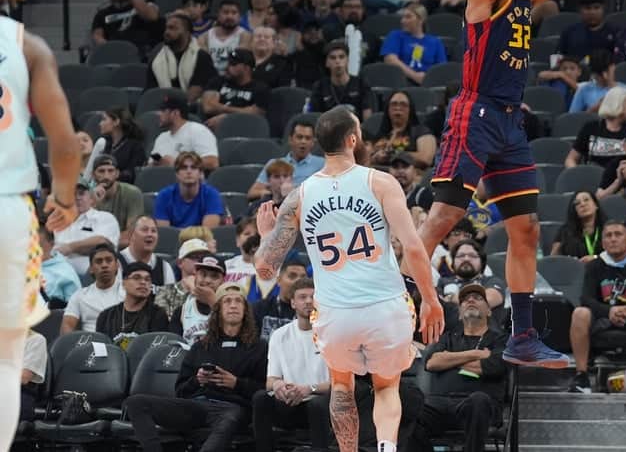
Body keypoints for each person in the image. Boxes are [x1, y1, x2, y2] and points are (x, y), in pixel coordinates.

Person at [415, 0, 595, 369]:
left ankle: (522, 336)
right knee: (445, 217)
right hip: (475, 112)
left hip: (510, 122)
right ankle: (398, 296)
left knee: (528, 230)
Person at [254, 106, 444, 452]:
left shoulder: (299, 196)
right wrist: (431, 300)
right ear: (353, 139)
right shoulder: (380, 181)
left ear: (319, 144)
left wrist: (267, 235)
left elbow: (265, 270)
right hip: (385, 305)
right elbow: (414, 248)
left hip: (334, 312)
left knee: (341, 386)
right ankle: (387, 446)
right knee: (387, 387)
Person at [123, 283, 268, 452]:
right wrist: (197, 380)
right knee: (135, 402)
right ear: (218, 310)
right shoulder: (201, 346)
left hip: (233, 408)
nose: (233, 305)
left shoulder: (259, 347)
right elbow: (181, 391)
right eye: (227, 301)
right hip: (197, 405)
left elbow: (264, 392)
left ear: (246, 310)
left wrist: (236, 383)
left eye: (238, 301)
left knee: (229, 420)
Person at [568, 221, 626, 394]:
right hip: (603, 317)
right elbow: (586, 298)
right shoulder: (594, 266)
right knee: (579, 313)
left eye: (618, 234)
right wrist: (608, 311)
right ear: (603, 243)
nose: (613, 239)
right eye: (608, 235)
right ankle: (581, 375)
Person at [416, 284, 509, 452]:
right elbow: (432, 363)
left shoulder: (500, 340)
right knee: (412, 408)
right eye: (465, 300)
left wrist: (449, 360)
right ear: (459, 314)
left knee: (478, 400)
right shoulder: (448, 338)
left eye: (478, 298)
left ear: (489, 311)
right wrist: (476, 354)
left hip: (480, 406)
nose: (471, 300)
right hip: (440, 404)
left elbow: (495, 366)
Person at [253, 277, 331, 452]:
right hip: (291, 403)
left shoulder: (332, 334)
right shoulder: (279, 335)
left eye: (313, 297)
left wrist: (308, 389)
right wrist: (279, 385)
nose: (309, 301)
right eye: (303, 297)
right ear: (293, 303)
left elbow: (340, 384)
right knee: (261, 398)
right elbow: (270, 381)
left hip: (321, 403)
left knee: (316, 405)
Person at [53, 175, 120, 274]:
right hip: (59, 276)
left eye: (81, 194)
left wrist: (70, 248)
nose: (77, 198)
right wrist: (83, 248)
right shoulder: (56, 222)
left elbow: (102, 244)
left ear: (91, 198)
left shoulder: (104, 218)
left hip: (94, 278)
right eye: (73, 194)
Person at [247, 117, 324, 200]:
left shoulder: (323, 164)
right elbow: (252, 193)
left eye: (308, 138)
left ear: (313, 142)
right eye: (299, 137)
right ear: (290, 140)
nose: (303, 142)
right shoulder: (274, 164)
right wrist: (275, 193)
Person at [95, 261, 170, 346]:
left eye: (147, 279)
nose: (143, 282)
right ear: (123, 283)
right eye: (137, 278)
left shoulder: (158, 315)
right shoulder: (106, 316)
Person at [90, 0, 162, 56]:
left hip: (141, 53)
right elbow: (97, 36)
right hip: (115, 54)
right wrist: (113, 49)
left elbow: (152, 17)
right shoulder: (102, 14)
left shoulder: (145, 5)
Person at [201, 47, 270, 131]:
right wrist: (242, 111)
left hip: (244, 129)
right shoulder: (217, 81)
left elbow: (255, 114)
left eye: (233, 64)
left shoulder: (260, 88)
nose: (227, 67)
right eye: (228, 63)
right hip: (211, 128)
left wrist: (226, 117)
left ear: (246, 68)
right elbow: (208, 107)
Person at [566, 86, 626, 169]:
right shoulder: (591, 128)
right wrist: (578, 175)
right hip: (592, 179)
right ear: (617, 104)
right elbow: (571, 159)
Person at [60, 244, 124, 334]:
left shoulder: (129, 293)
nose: (104, 265)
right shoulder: (79, 296)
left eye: (109, 260)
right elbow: (67, 326)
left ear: (117, 265)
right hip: (92, 344)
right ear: (91, 269)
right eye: (99, 261)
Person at [153, 151, 226, 229]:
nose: (189, 171)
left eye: (193, 167)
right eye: (184, 168)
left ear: (200, 173)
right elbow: (165, 234)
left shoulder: (212, 195)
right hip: (173, 241)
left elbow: (207, 233)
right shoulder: (164, 196)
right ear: (177, 174)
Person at [368, 90, 437, 170]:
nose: (398, 108)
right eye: (394, 104)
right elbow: (364, 160)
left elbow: (426, 158)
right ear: (388, 109)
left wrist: (394, 154)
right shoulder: (379, 133)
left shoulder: (421, 131)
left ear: (410, 109)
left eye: (403, 104)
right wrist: (375, 158)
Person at [150, 93, 220, 171]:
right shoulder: (161, 137)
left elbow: (212, 162)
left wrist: (178, 163)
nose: (159, 114)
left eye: (163, 111)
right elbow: (150, 164)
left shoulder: (198, 131)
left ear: (175, 113)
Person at [380, 4, 447, 85]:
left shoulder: (435, 41)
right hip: (401, 82)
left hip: (428, 84)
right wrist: (414, 76)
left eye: (408, 17)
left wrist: (428, 79)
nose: (403, 21)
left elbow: (441, 68)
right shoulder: (395, 35)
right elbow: (390, 60)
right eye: (403, 17)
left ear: (421, 19)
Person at [90, 111, 147, 185]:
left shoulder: (135, 146)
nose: (100, 124)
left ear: (116, 122)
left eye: (104, 119)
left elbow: (132, 173)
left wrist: (109, 177)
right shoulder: (104, 144)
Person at [198, 0, 252, 76]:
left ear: (239, 16)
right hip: (210, 77)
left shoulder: (246, 36)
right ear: (218, 15)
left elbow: (239, 60)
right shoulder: (204, 37)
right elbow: (205, 63)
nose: (229, 16)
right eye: (225, 12)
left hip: (234, 77)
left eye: (234, 13)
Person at [550, 191, 607, 262]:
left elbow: (618, 255)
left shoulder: (608, 228)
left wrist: (596, 258)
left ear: (596, 205)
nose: (582, 204)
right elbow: (553, 259)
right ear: (574, 210)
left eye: (586, 200)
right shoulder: (565, 231)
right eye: (577, 203)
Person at [120, 216, 176, 286]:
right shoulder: (117, 263)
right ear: (131, 234)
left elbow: (169, 296)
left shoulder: (164, 267)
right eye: (144, 230)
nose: (150, 234)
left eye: (153, 231)